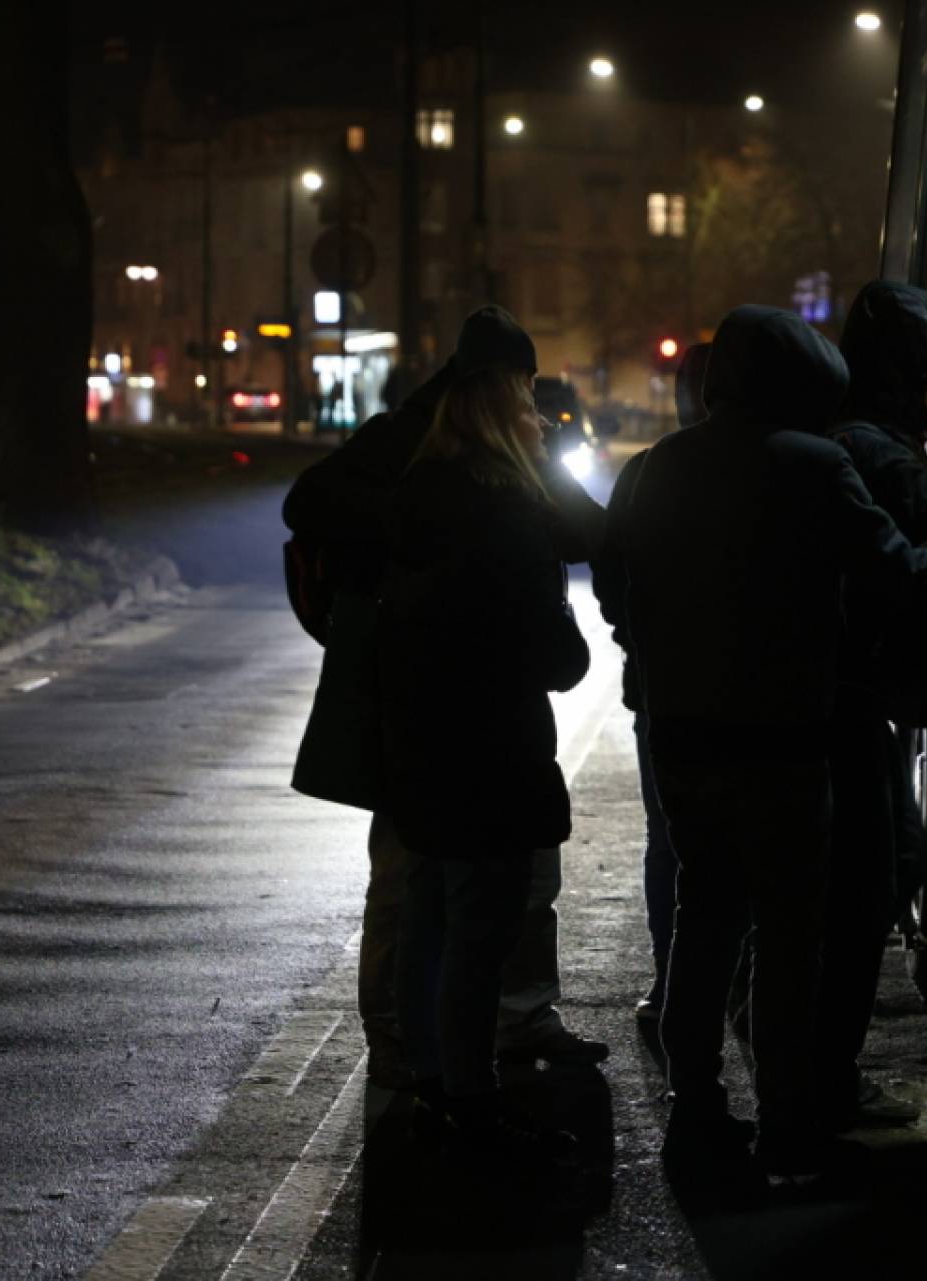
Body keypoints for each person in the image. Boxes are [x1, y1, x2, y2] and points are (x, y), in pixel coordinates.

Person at [612, 305, 927, 1184]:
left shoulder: (658, 466)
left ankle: (695, 1109)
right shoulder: (815, 464)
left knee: (704, 925)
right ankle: (788, 1120)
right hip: (783, 737)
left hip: (682, 736)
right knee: (790, 935)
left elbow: (620, 597)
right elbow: (896, 573)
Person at [283, 306, 608, 1088]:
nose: (534, 405)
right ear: (501, 387)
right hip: (444, 713)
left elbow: (584, 530)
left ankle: (462, 1035)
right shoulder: (421, 454)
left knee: (446, 879)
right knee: (421, 875)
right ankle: (416, 1033)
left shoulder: (478, 458)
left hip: (431, 710)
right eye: (526, 389)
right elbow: (311, 502)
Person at [379, 363, 587, 1160]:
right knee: (481, 930)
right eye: (531, 410)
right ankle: (473, 1096)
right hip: (494, 749)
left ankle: (434, 1078)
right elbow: (558, 657)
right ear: (505, 420)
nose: (543, 423)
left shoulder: (412, 499)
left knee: (429, 913)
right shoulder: (511, 511)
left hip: (421, 740)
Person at [815, 280, 927, 1131]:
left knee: (866, 878)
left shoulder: (854, 439)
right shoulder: (874, 452)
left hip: (842, 697)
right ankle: (815, 1074)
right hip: (845, 700)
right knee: (869, 880)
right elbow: (901, 578)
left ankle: (800, 1058)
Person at [590, 341, 712, 1025]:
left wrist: (639, 638)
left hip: (662, 691)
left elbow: (612, 580)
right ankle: (731, 987)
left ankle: (672, 985)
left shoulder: (644, 472)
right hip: (754, 696)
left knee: (669, 838)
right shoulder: (769, 466)